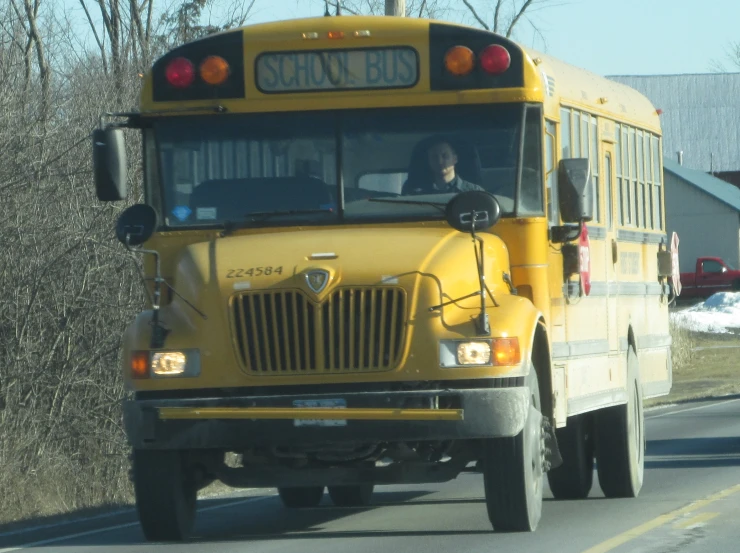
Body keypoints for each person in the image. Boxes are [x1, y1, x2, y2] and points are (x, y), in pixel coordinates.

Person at [404, 140, 484, 195]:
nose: (440, 161)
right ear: (429, 161)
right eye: (434, 157)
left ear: (455, 159)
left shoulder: (475, 192)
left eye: (445, 156)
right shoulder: (416, 194)